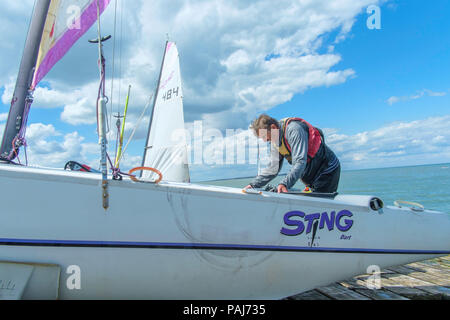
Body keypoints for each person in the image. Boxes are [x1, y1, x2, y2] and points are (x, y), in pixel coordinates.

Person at [245, 114, 340, 194]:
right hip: (310, 177)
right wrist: (253, 184)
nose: (265, 140)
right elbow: (272, 169)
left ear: (273, 127)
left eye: (265, 136)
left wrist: (284, 184)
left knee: (320, 208)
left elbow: (300, 161)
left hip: (327, 169)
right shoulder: (274, 140)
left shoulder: (294, 130)